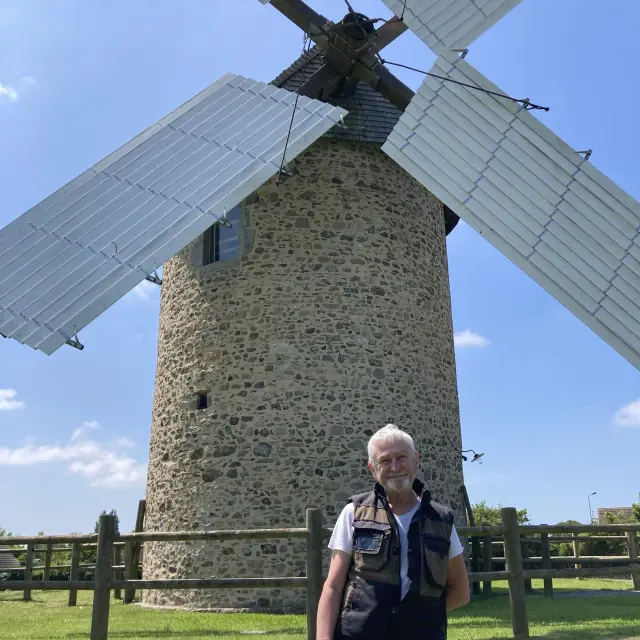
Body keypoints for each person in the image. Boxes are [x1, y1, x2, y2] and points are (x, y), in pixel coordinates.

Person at [317, 424, 470, 640]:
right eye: (385, 460)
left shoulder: (441, 520)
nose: (395, 466)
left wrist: (422, 616)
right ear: (372, 468)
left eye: (401, 457)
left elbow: (461, 591)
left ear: (416, 460)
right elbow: (332, 587)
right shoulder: (354, 513)